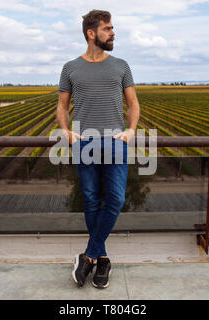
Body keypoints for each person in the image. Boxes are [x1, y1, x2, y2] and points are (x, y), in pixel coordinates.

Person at [56, 9, 140, 289]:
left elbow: (133, 103)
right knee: (91, 200)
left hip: (116, 143)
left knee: (114, 200)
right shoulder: (70, 67)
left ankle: (89, 255)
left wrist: (131, 130)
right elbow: (62, 106)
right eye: (107, 28)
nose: (113, 32)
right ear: (92, 34)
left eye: (112, 28)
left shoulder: (121, 65)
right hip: (85, 143)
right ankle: (102, 260)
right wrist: (66, 132)